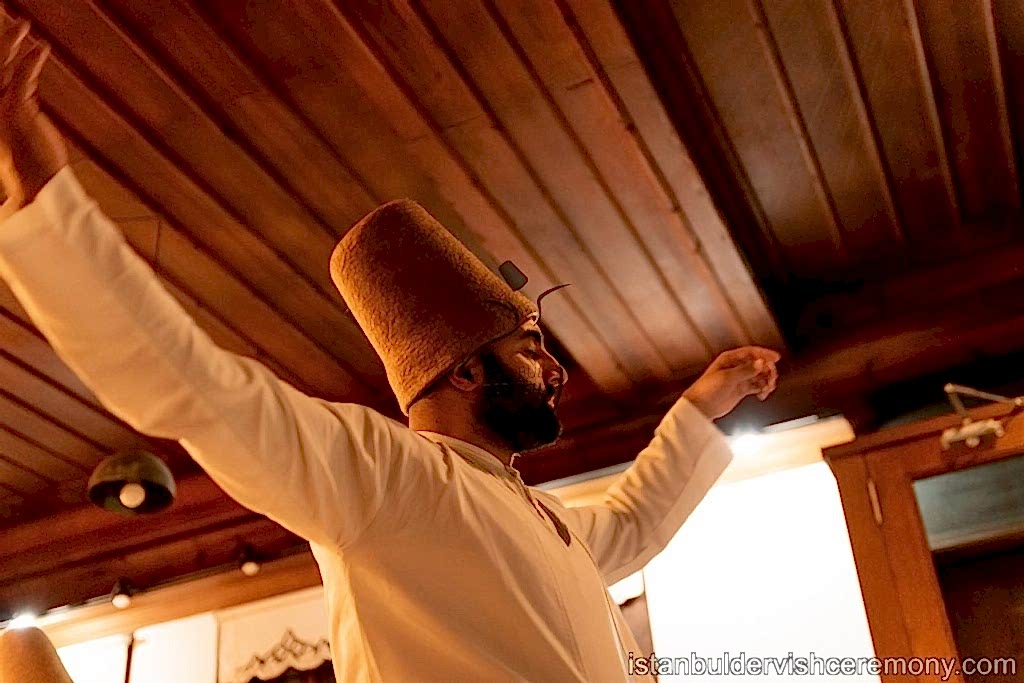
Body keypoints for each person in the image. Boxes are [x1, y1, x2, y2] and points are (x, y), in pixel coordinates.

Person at [0, 17, 779, 683]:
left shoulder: (541, 518)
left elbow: (633, 523)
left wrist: (705, 401)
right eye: (533, 346)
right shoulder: (392, 483)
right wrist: (36, 181)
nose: (556, 370)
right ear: (468, 367)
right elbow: (197, 386)